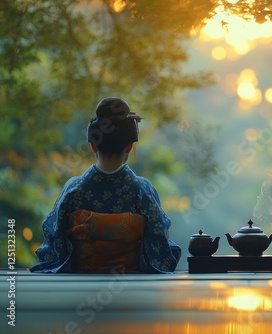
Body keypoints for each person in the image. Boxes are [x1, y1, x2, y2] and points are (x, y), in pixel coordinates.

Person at [30, 97, 181, 273]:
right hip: (132, 287)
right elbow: (160, 245)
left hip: (78, 286)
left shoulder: (73, 189)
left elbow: (53, 241)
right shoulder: (142, 190)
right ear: (130, 147)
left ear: (93, 146)